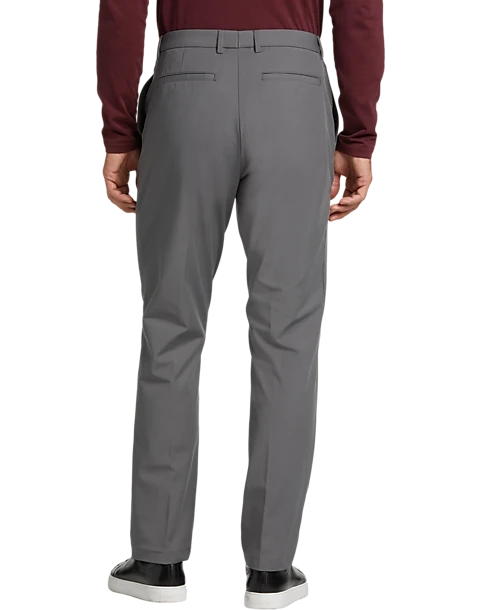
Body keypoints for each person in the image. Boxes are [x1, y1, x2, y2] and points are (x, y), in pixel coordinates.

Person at [97, 1, 384, 607]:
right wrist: (359, 131)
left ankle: (156, 561)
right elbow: (358, 11)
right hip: (292, 92)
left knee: (171, 326)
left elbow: (121, 8)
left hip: (186, 89)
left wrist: (120, 130)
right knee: (288, 334)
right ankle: (273, 570)